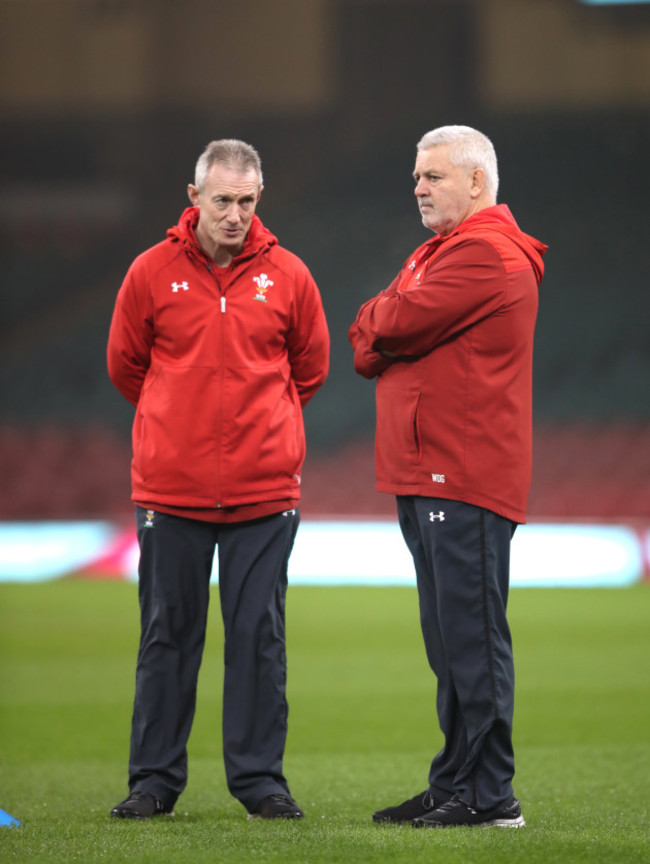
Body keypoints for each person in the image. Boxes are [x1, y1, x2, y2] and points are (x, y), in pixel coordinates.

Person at [107, 139, 329, 821]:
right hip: (171, 491)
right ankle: (153, 782)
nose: (235, 214)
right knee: (168, 635)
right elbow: (126, 366)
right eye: (223, 200)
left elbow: (310, 368)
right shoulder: (150, 271)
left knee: (259, 637)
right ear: (195, 197)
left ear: (258, 198)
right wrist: (179, 423)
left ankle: (260, 781)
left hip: (264, 494)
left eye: (247, 201)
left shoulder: (289, 275)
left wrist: (264, 431)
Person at [349, 125, 547, 829]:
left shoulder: (485, 254)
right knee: (449, 640)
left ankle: (492, 796)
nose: (418, 188)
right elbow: (369, 345)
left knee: (471, 638)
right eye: (415, 176)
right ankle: (454, 779)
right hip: (428, 471)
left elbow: (389, 322)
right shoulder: (441, 253)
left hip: (462, 471)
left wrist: (385, 316)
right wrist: (385, 320)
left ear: (476, 182)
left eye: (433, 176)